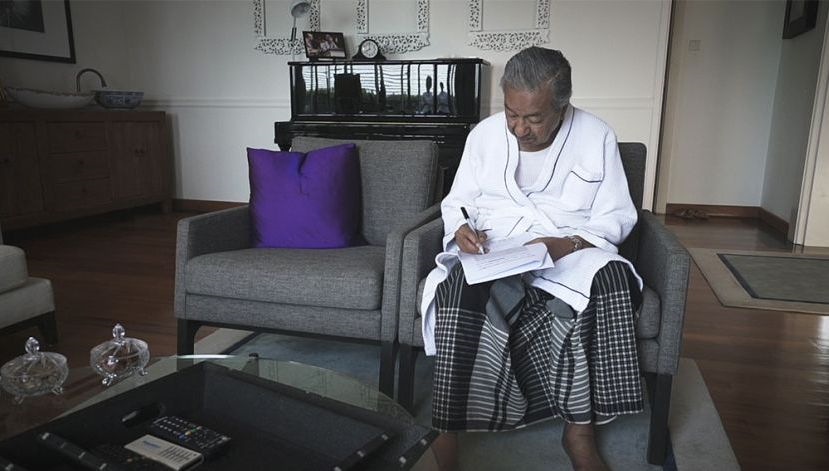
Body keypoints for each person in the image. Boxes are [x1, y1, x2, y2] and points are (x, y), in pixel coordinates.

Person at [420, 47, 644, 471]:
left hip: (571, 247)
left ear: (561, 107)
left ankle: (579, 432)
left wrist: (567, 244)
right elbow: (458, 201)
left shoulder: (596, 136)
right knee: (457, 287)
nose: (519, 128)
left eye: (534, 118)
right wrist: (461, 228)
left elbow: (616, 215)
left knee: (613, 280)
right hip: (498, 244)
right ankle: (446, 430)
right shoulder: (484, 135)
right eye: (512, 114)